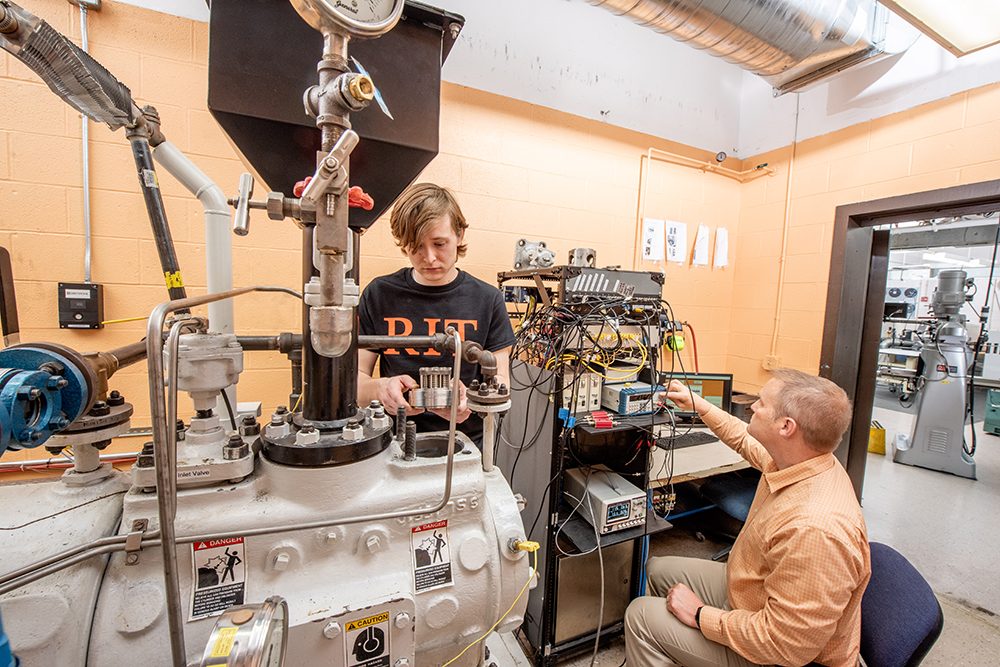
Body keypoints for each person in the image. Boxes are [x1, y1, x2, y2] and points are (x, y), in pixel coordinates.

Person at [625, 369, 870, 667]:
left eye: (761, 403)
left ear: (786, 426)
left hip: (781, 657)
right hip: (756, 597)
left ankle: (667, 641)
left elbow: (785, 647)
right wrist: (700, 406)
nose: (752, 407)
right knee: (657, 569)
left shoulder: (815, 529)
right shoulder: (801, 460)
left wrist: (701, 615)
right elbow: (744, 439)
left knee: (640, 616)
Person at [357, 183, 515, 445]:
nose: (429, 257)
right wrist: (381, 388)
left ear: (460, 235)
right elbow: (354, 382)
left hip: (466, 442)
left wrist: (471, 402)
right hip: (393, 442)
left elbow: (502, 382)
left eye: (440, 243)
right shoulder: (378, 294)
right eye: (415, 246)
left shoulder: (488, 299)